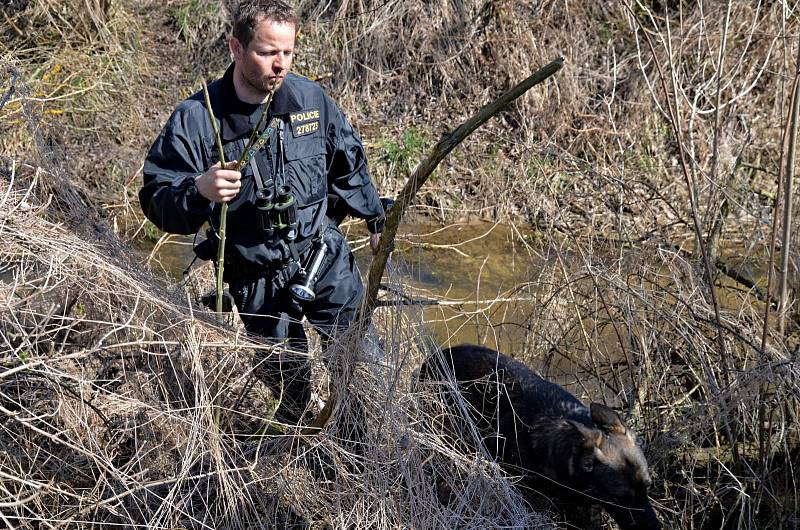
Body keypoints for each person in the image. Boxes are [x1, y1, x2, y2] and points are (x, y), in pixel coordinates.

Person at [139, 0, 386, 426]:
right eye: (268, 52)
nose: (280, 65)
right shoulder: (198, 119)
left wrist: (377, 218)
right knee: (290, 391)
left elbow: (349, 165)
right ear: (236, 48)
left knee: (363, 368)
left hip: (323, 259)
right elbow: (157, 198)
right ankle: (299, 453)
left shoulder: (310, 100)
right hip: (256, 281)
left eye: (288, 53)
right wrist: (198, 190)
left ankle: (363, 451)